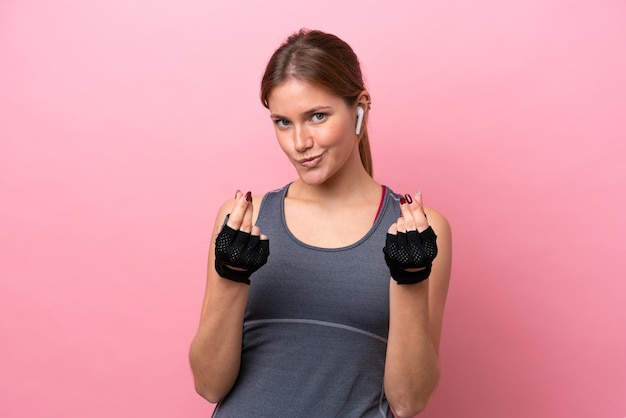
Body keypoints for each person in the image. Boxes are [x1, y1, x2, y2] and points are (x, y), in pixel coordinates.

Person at [189, 29, 452, 418]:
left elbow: (408, 401)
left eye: (317, 116)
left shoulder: (418, 230)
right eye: (282, 122)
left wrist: (410, 278)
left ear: (360, 107)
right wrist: (232, 276)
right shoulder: (243, 220)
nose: (300, 142)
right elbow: (208, 385)